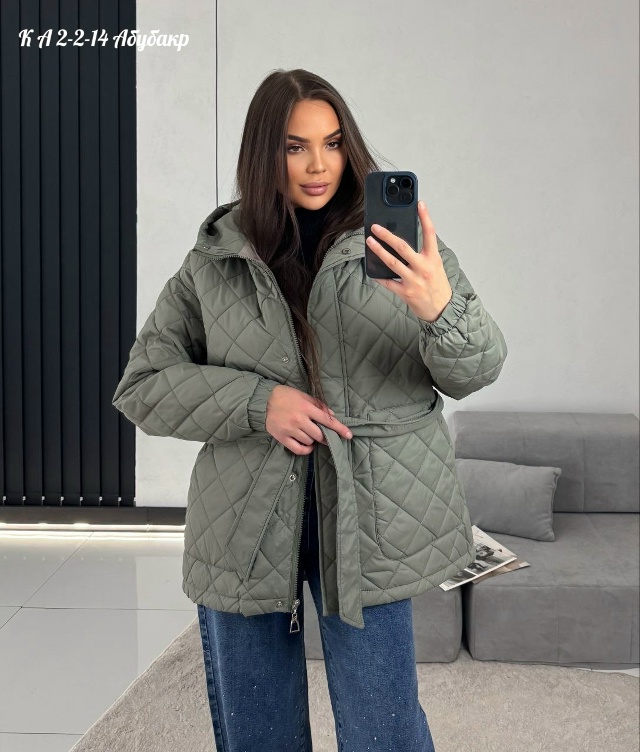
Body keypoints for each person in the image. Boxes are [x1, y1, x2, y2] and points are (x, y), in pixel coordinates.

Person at [112, 68, 508, 751]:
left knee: (384, 733)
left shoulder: (401, 244)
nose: (319, 164)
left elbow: (477, 369)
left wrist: (439, 308)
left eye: (332, 143)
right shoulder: (216, 259)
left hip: (371, 518)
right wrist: (258, 403)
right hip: (244, 519)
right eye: (295, 147)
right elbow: (142, 384)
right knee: (258, 735)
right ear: (263, 154)